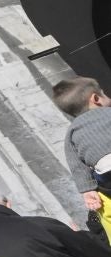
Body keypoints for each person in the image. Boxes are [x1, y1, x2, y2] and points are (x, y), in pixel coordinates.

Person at [53, 77, 111, 241]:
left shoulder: (72, 132)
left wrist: (88, 190)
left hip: (107, 175)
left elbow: (76, 165)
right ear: (96, 98)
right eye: (104, 93)